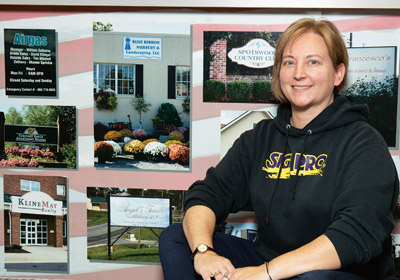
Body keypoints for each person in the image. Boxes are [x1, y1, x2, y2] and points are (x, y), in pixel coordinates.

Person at [159, 18, 399, 280]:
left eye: (313, 62)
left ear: (338, 74)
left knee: (314, 278)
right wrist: (204, 252)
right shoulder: (260, 138)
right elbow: (206, 194)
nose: (299, 73)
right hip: (269, 260)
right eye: (289, 62)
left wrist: (266, 273)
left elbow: (355, 234)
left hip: (342, 273)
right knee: (177, 239)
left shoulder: (363, 143)